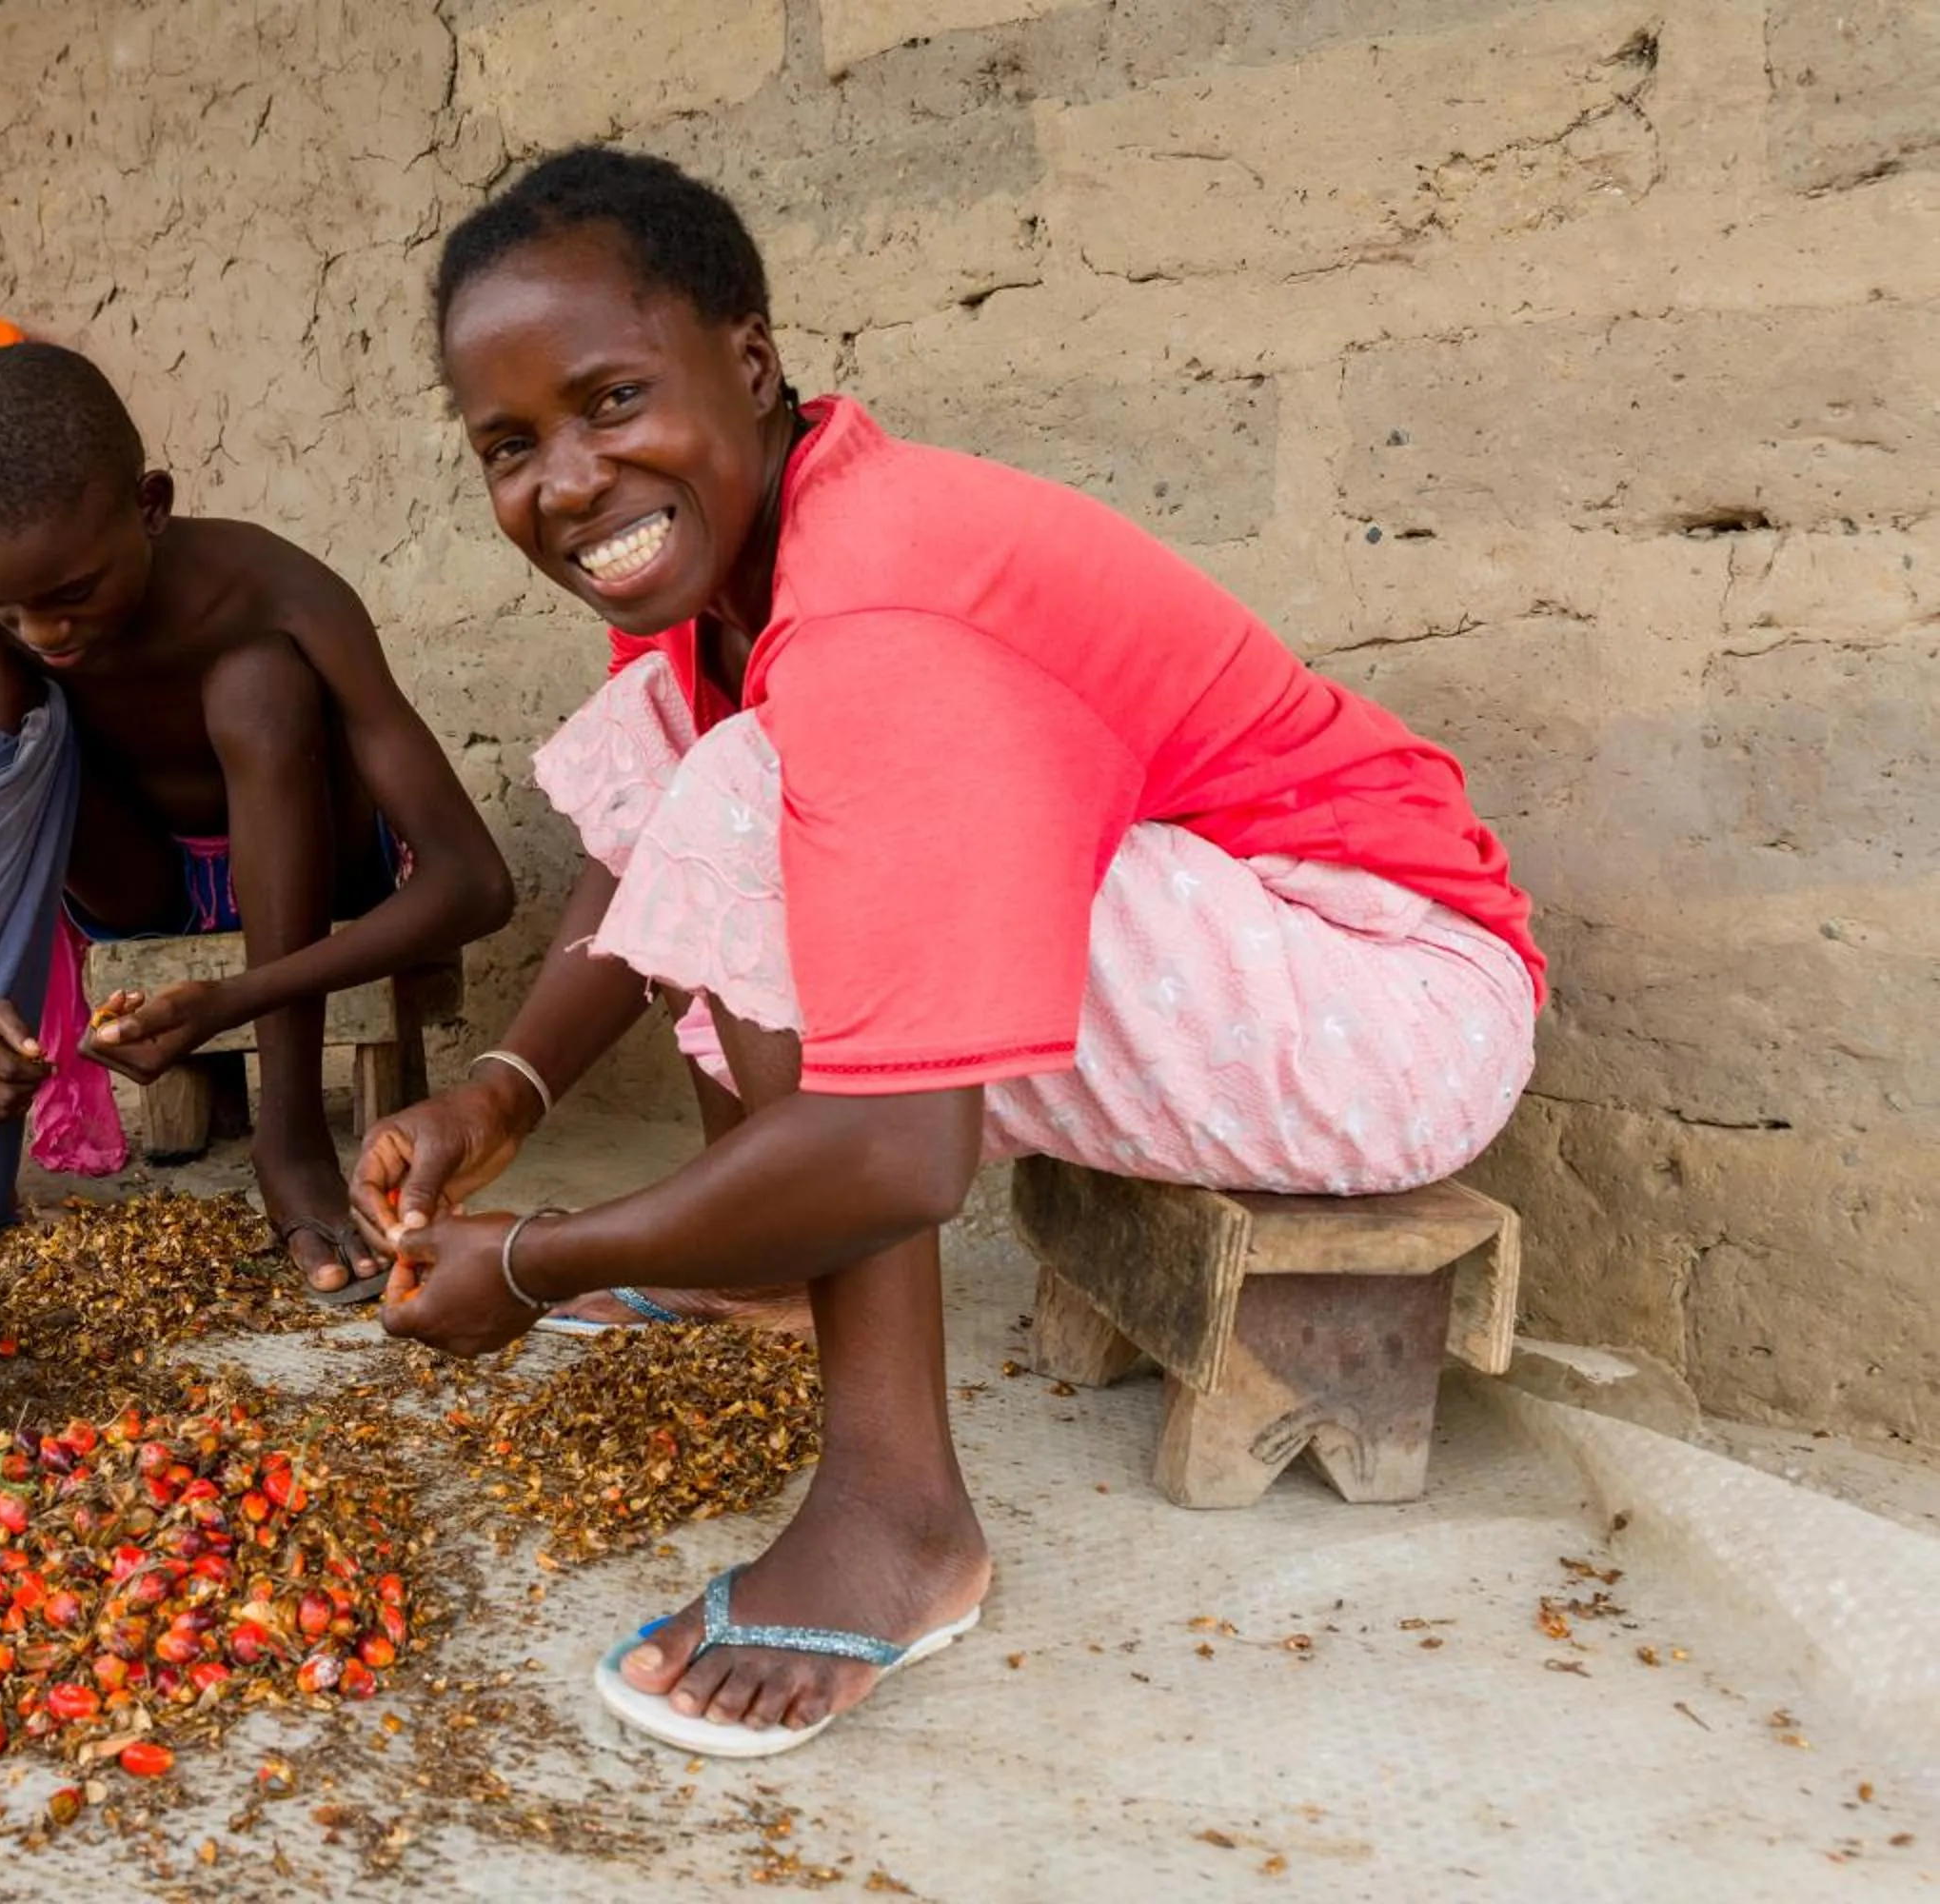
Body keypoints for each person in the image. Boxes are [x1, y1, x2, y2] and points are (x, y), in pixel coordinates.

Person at [356, 148, 1546, 1758]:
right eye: (512, 444)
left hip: (1380, 1001)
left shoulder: (874, 604)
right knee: (691, 749)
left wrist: (534, 1258)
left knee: (767, 792)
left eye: (613, 402)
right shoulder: (742, 566)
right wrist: (501, 1094)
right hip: (1234, 962)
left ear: (755, 365)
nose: (566, 481)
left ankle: (898, 1517)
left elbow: (903, 1151)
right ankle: (769, 1260)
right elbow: (645, 852)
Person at [0, 343, 514, 1280]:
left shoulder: (278, 589)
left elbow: (475, 881)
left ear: (151, 506)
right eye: (7, 604)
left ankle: (291, 1137)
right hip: (131, 881)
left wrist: (233, 998)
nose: (45, 634)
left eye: (71, 595)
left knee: (260, 681)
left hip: (321, 860)